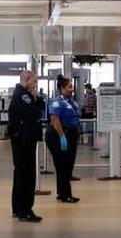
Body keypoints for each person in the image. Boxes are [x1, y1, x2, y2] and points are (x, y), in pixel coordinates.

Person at [8, 71, 45, 222]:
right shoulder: (22, 95)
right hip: (24, 140)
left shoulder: (25, 94)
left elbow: (41, 107)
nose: (35, 85)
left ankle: (18, 208)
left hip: (23, 139)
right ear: (26, 79)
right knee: (27, 175)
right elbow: (36, 113)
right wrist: (34, 98)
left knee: (20, 173)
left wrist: (36, 97)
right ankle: (25, 210)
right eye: (34, 81)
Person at [45, 75, 81, 203]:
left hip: (71, 135)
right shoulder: (57, 102)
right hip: (58, 135)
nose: (72, 89)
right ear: (61, 88)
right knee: (63, 165)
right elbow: (55, 119)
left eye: (72, 87)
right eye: (69, 87)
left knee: (68, 164)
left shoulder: (71, 101)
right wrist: (62, 137)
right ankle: (66, 195)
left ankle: (62, 193)